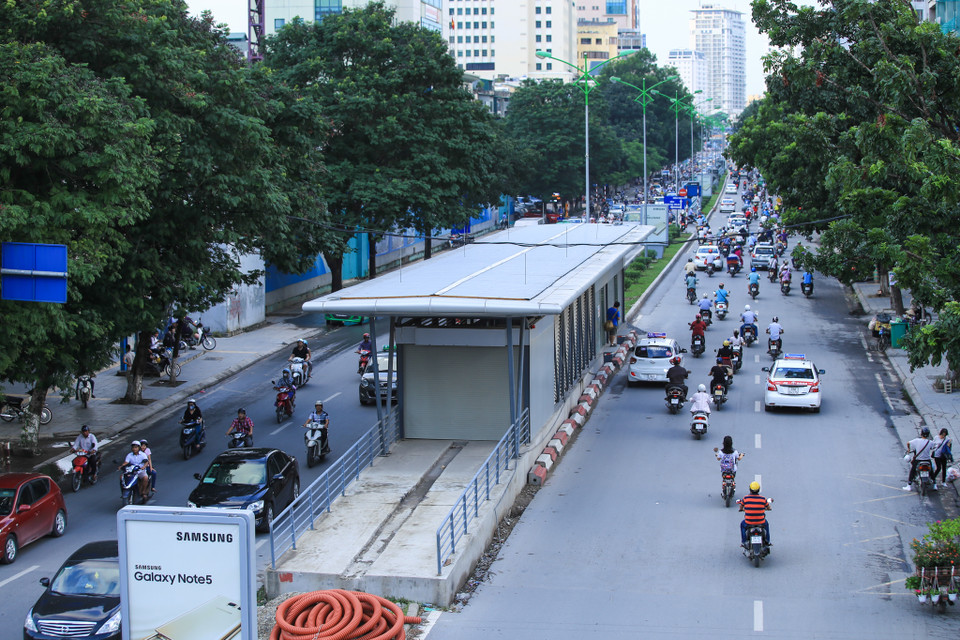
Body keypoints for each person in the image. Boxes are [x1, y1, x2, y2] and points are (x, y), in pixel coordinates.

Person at [738, 481, 772, 546]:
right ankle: (767, 541)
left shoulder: (745, 498)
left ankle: (744, 541)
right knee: (766, 524)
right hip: (761, 522)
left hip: (748, 522)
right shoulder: (763, 499)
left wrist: (741, 509)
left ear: (750, 489)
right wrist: (768, 508)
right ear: (758, 490)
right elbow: (768, 507)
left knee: (742, 525)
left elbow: (741, 506)